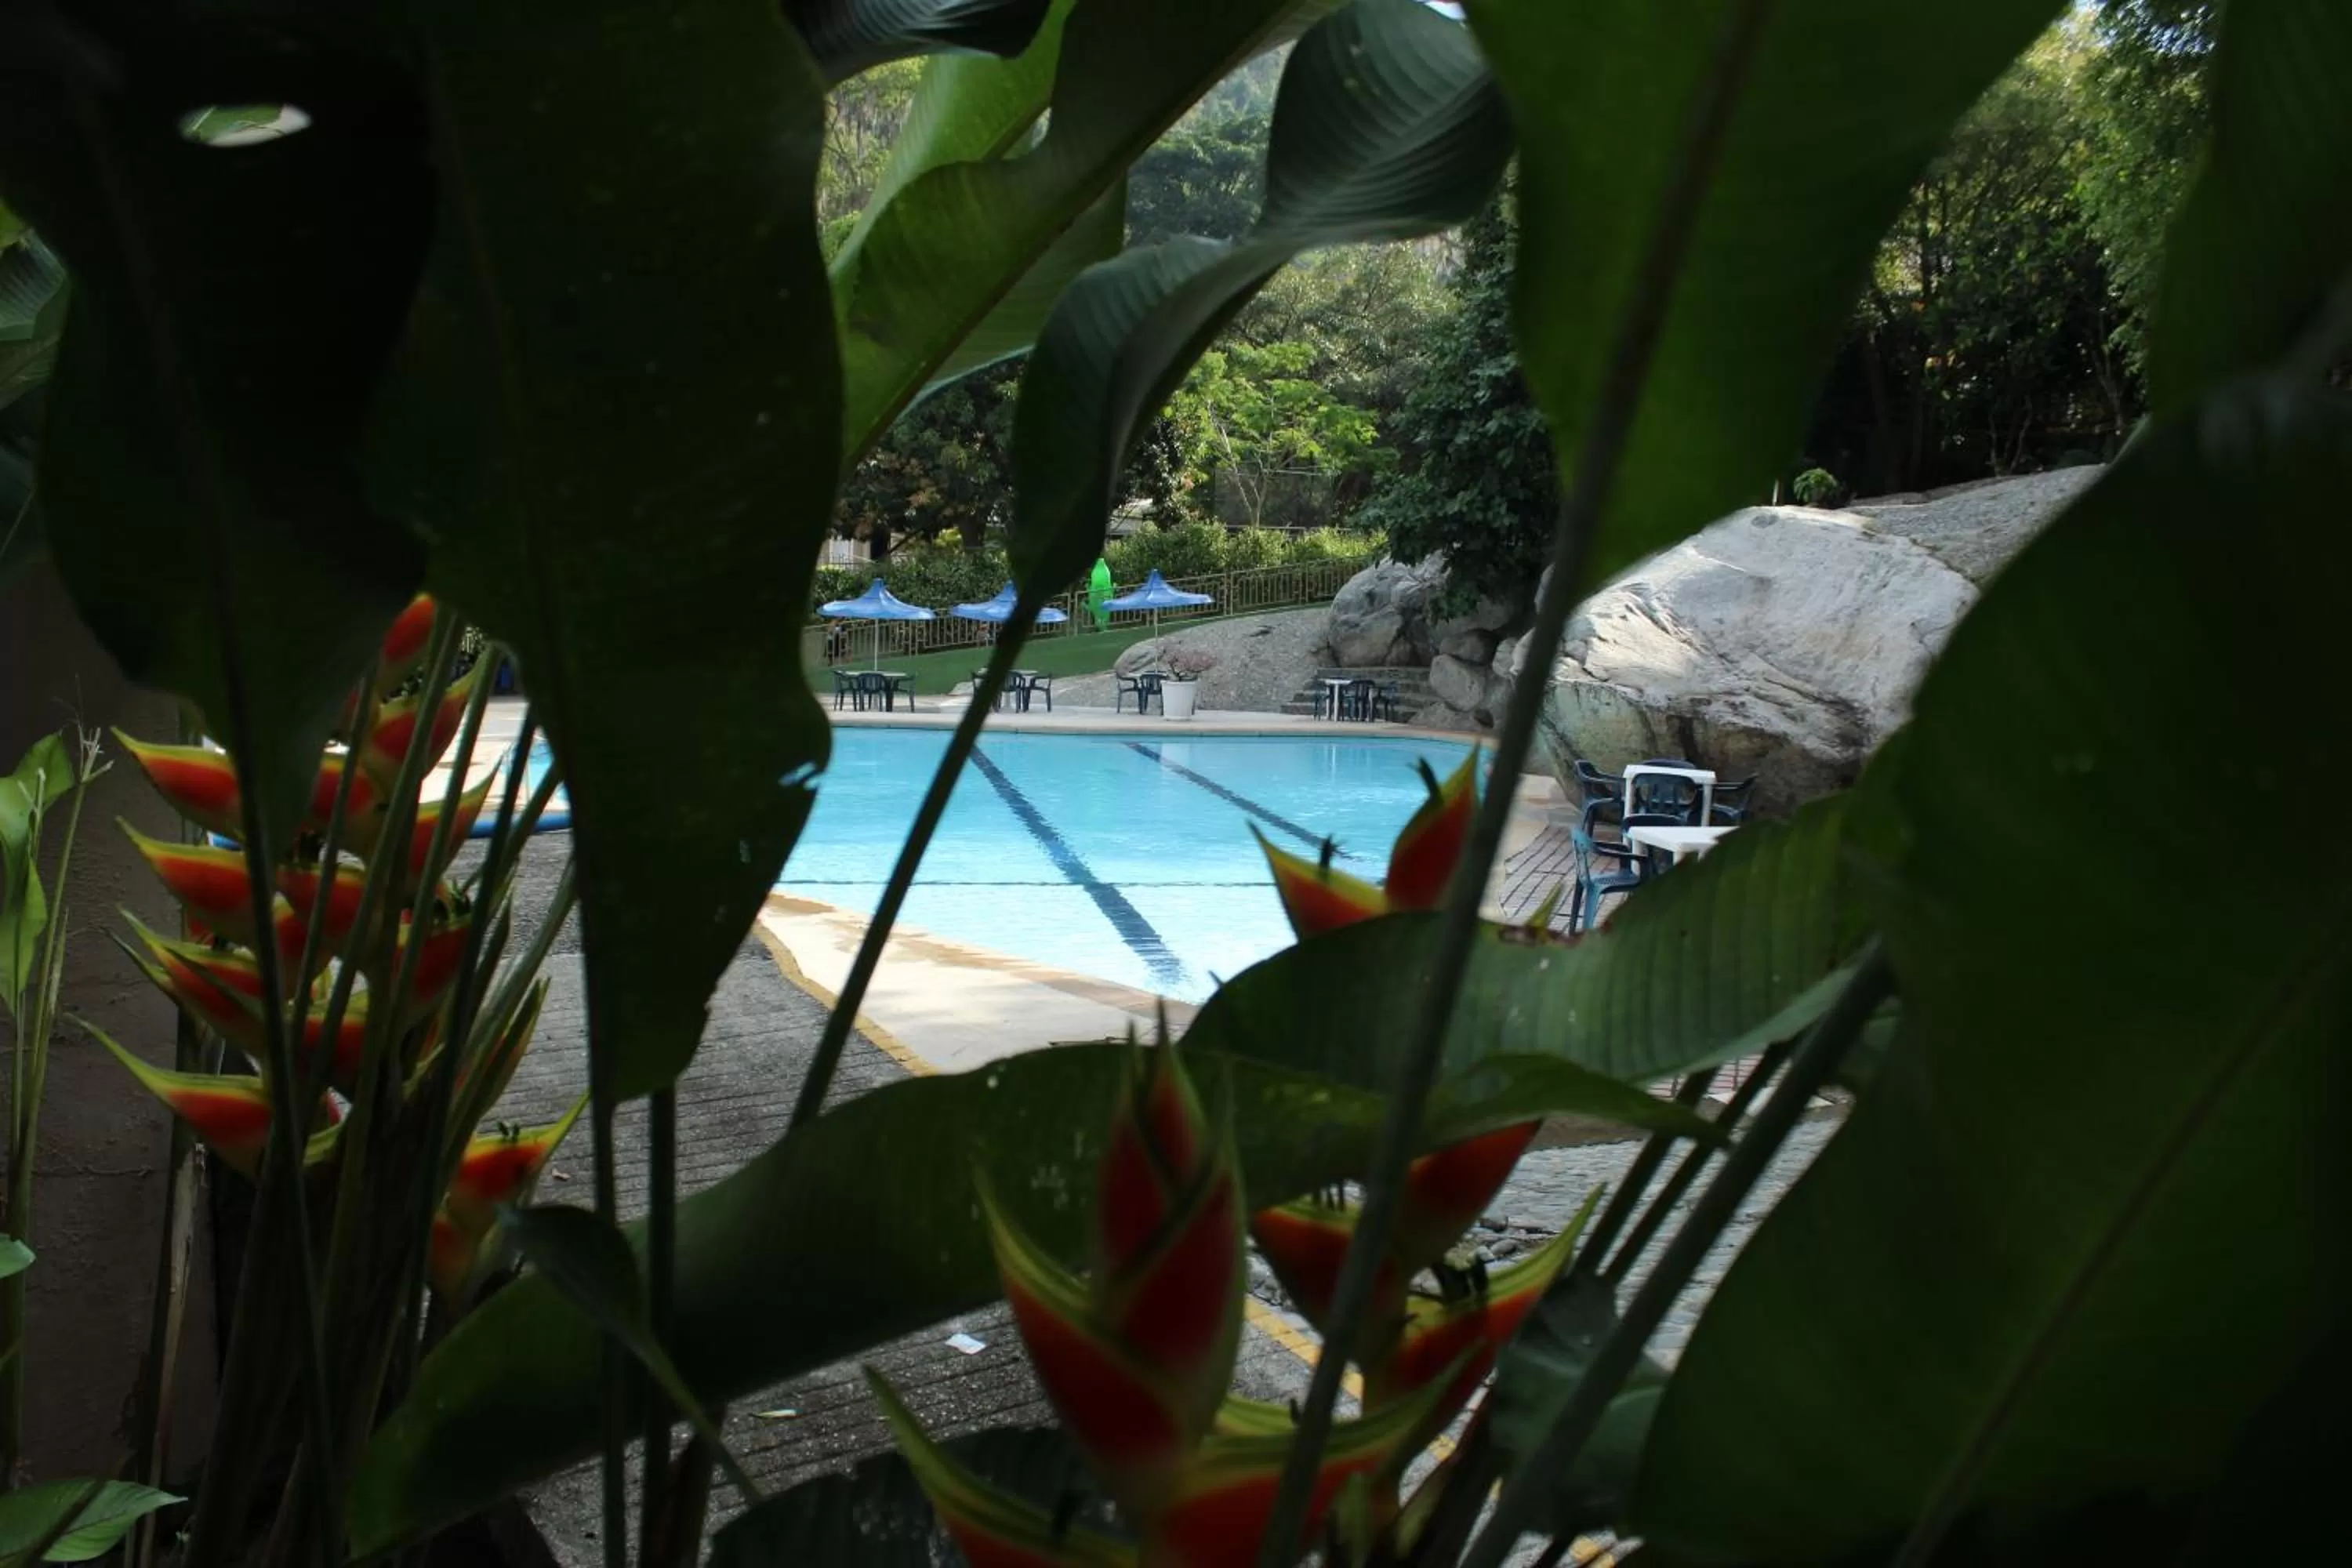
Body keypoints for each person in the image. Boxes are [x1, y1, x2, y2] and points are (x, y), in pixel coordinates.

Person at [1087, 557, 1114, 632]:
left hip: (1100, 599)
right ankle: (1102, 628)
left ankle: (1102, 628)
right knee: (1102, 615)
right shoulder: (1104, 571)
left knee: (1101, 615)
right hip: (1103, 599)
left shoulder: (1097, 571)